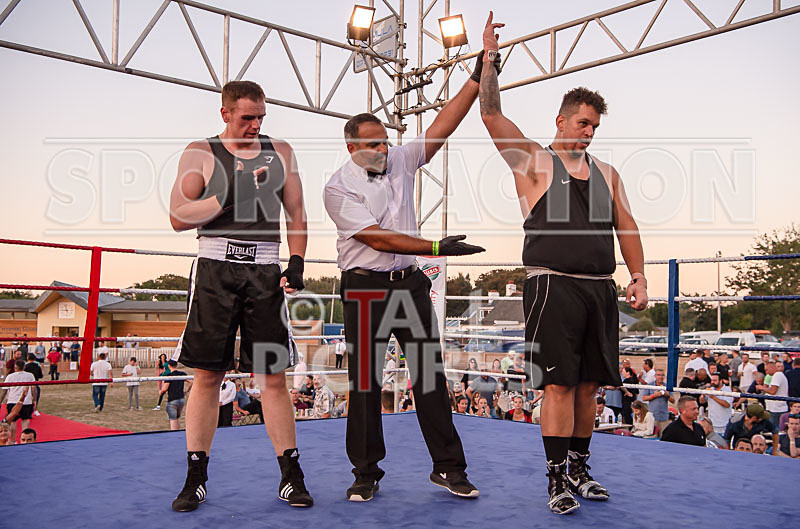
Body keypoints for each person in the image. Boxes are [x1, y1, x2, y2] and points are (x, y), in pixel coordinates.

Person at [478, 9, 650, 514]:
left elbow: (628, 226)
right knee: (557, 384)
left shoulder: (607, 173)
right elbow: (490, 115)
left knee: (589, 386)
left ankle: (579, 469)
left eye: (594, 126)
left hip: (600, 287)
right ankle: (555, 478)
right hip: (552, 286)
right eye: (582, 123)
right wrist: (489, 60)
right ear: (561, 120)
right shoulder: (534, 161)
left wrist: (638, 275)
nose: (588, 133)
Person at [323, 48, 494, 501]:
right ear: (352, 147)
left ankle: (448, 468)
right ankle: (365, 473)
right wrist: (437, 247)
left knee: (429, 377)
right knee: (365, 382)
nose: (384, 148)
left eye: (385, 140)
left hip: (409, 284)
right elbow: (379, 239)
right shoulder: (337, 188)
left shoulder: (399, 159)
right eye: (374, 143)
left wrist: (475, 78)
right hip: (365, 286)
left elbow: (442, 126)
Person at [168, 80, 312, 510]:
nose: (255, 125)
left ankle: (291, 476)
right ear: (225, 113)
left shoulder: (280, 152)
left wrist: (298, 260)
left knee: (272, 377)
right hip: (215, 268)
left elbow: (297, 212)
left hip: (265, 270)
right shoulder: (201, 151)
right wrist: (231, 193)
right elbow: (178, 214)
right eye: (247, 117)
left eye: (261, 117)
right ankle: (195, 477)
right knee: (207, 376)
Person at [0, 359, 35, 441]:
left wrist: (0, 401)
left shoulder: (10, 376)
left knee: (13, 422)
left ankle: (13, 441)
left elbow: (4, 391)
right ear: (24, 367)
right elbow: (34, 389)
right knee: (25, 421)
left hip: (12, 401)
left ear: (15, 368)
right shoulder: (30, 376)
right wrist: (35, 400)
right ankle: (25, 440)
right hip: (26, 402)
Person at [159, 360, 192, 431]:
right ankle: (177, 433)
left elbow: (165, 389)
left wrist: (160, 391)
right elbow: (191, 382)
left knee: (173, 420)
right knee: (176, 418)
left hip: (172, 400)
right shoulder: (182, 374)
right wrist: (186, 391)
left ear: (169, 366)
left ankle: (174, 435)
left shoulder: (169, 376)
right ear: (176, 366)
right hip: (181, 400)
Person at [640, 369, 671, 437]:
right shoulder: (650, 385)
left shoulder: (667, 386)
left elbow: (673, 400)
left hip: (664, 417)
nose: (660, 377)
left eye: (662, 375)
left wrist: (667, 395)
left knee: (664, 438)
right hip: (652, 418)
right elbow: (644, 398)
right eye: (658, 375)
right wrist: (654, 395)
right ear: (655, 376)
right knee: (652, 437)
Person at [758, 361, 789, 429]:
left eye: (767, 370)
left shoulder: (777, 375)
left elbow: (772, 391)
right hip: (774, 408)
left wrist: (762, 388)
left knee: (774, 430)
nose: (766, 372)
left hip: (776, 409)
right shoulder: (778, 375)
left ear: (772, 367)